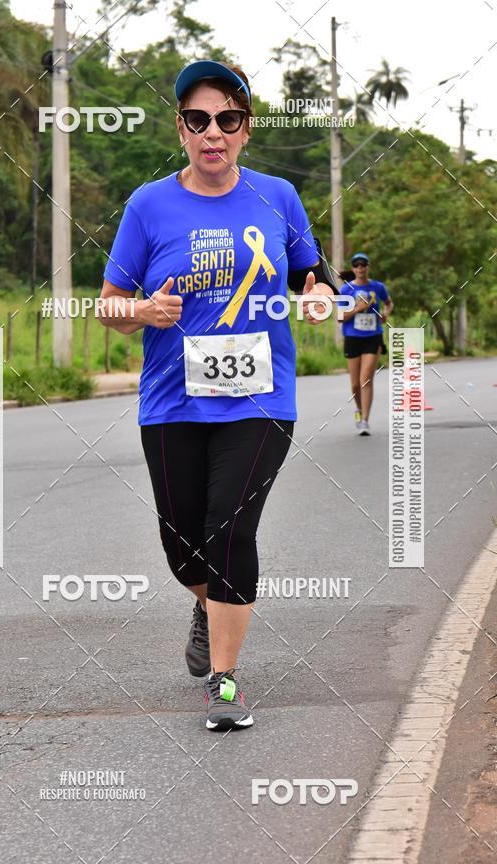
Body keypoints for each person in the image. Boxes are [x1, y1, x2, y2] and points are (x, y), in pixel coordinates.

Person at [97, 60, 335, 731]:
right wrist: (143, 312)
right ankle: (205, 602)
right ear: (180, 129)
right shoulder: (148, 205)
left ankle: (225, 681)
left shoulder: (278, 196)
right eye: (198, 119)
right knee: (184, 548)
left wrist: (318, 298)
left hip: (260, 398)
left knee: (230, 528)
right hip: (172, 401)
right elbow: (108, 304)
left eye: (227, 119)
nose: (213, 132)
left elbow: (313, 276)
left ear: (246, 130)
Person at [337, 252, 394, 435]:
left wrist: (385, 314)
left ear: (368, 267)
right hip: (352, 338)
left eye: (363, 265)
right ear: (353, 269)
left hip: (373, 337)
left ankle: (364, 421)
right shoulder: (346, 290)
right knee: (355, 385)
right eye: (356, 265)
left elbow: (389, 303)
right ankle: (359, 410)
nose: (360, 268)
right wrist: (358, 309)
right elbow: (340, 317)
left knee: (366, 380)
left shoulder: (378, 287)